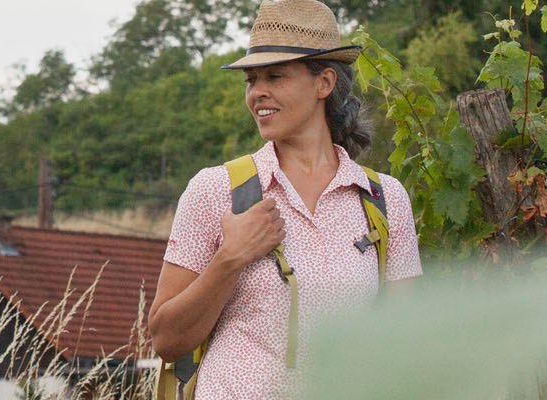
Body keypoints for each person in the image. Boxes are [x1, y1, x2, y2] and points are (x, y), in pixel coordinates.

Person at [148, 0, 422, 398]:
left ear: (324, 84)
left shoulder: (383, 199)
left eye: (274, 76)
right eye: (250, 80)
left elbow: (401, 341)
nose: (258, 92)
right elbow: (165, 338)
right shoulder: (214, 190)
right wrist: (230, 258)